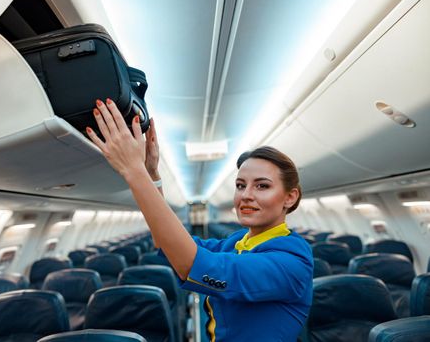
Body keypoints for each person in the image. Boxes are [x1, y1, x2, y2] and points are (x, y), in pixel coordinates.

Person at [86, 98, 313, 342]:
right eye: (240, 185)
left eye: (262, 186)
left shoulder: (293, 261)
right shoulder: (237, 243)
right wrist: (152, 174)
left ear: (290, 197)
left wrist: (133, 171)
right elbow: (168, 244)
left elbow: (192, 263)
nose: (246, 195)